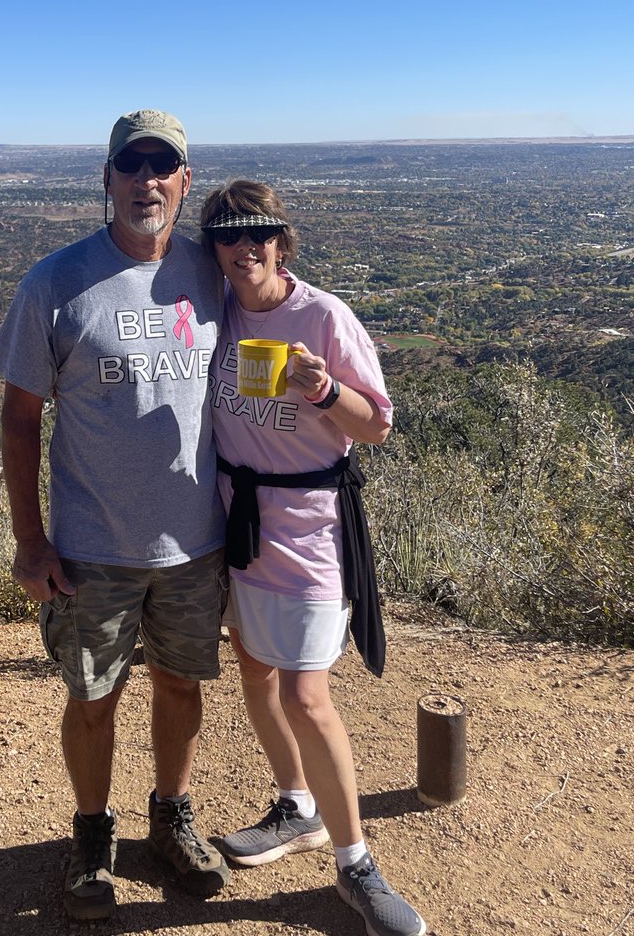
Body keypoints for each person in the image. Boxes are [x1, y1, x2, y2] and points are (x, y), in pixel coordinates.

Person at [0, 110, 230, 921]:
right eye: (133, 164)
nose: (147, 179)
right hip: (94, 547)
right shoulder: (54, 283)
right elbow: (20, 418)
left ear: (185, 183)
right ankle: (92, 834)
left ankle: (172, 819)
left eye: (165, 166)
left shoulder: (213, 271)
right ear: (107, 178)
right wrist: (30, 542)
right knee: (92, 699)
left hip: (195, 542)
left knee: (181, 688)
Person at [200, 180, 426, 936]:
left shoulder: (324, 316)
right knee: (255, 671)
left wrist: (325, 389)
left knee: (306, 695)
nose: (247, 246)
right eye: (230, 234)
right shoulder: (217, 311)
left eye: (261, 232)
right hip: (239, 529)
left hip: (308, 532)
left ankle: (356, 863)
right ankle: (297, 806)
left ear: (282, 241)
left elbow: (378, 427)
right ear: (216, 248)